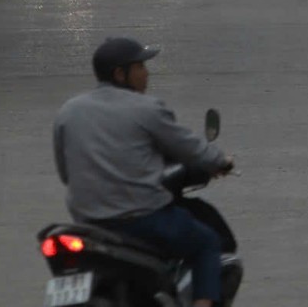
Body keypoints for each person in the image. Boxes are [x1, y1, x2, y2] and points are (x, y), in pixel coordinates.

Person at [54, 37, 232, 307]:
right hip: (140, 219)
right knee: (207, 243)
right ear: (120, 74)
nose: (146, 73)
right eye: (140, 67)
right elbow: (190, 147)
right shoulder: (146, 109)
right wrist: (220, 161)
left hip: (88, 221)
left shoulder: (69, 111)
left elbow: (65, 172)